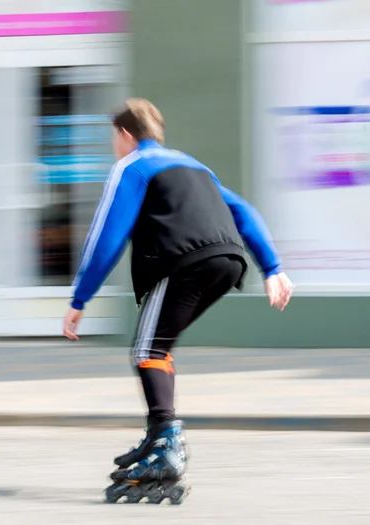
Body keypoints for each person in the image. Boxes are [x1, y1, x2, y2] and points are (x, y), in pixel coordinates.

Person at [63, 98, 294, 504]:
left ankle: (166, 445)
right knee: (159, 347)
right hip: (228, 262)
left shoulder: (132, 166)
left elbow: (107, 236)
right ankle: (157, 437)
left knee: (146, 349)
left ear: (125, 135)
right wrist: (272, 267)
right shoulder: (193, 165)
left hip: (186, 261)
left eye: (113, 139)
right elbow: (244, 211)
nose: (113, 147)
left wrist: (80, 298)